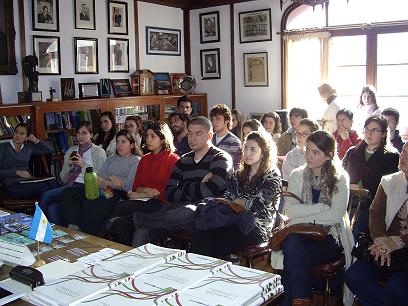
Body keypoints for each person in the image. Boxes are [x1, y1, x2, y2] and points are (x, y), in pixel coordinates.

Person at [271, 130, 354, 306]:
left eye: (315, 152)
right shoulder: (297, 174)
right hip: (301, 234)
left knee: (292, 252)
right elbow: (291, 211)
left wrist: (307, 213)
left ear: (329, 155)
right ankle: (301, 300)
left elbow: (335, 216)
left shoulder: (340, 178)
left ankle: (293, 300)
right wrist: (322, 207)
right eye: (307, 150)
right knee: (293, 244)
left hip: (331, 237)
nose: (309, 155)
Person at [131, 116, 234, 247]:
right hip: (176, 209)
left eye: (198, 133)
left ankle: (137, 219)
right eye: (190, 133)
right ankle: (134, 264)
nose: (192, 138)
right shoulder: (183, 160)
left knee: (189, 211)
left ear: (209, 136)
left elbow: (207, 191)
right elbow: (169, 192)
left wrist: (182, 185)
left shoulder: (220, 158)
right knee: (143, 230)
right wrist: (197, 185)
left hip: (208, 211)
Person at [190, 131, 282, 259]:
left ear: (263, 153)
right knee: (202, 229)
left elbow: (260, 206)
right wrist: (238, 202)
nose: (247, 153)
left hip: (257, 226)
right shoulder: (240, 172)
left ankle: (211, 271)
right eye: (245, 148)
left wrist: (238, 202)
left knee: (219, 242)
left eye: (253, 149)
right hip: (233, 218)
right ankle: (197, 269)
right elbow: (228, 196)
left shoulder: (272, 176)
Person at [345, 142, 408, 306]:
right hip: (385, 246)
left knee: (397, 289)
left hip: (404, 248)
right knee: (354, 276)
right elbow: (376, 213)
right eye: (403, 151)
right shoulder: (390, 181)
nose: (404, 156)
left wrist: (398, 242)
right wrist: (381, 241)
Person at [104, 122, 179, 245]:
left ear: (162, 139)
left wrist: (141, 194)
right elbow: (136, 186)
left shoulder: (172, 159)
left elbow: (165, 191)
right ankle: (118, 248)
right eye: (147, 136)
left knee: (122, 210)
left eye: (152, 136)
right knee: (119, 218)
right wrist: (146, 191)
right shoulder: (145, 159)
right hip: (143, 201)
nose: (148, 140)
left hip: (162, 204)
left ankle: (103, 240)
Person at [60, 130, 139, 234]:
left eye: (123, 142)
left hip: (118, 193)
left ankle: (88, 233)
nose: (119, 145)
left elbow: (128, 185)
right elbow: (101, 175)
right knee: (69, 192)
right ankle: (74, 227)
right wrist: (112, 177)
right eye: (118, 142)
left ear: (132, 145)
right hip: (102, 187)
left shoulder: (136, 160)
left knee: (92, 203)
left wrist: (108, 182)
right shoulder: (111, 158)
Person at [39, 121, 107, 225]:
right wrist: (68, 165)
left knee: (47, 195)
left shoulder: (98, 151)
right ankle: (55, 235)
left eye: (84, 133)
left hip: (87, 186)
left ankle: (37, 225)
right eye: (79, 133)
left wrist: (83, 165)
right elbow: (63, 178)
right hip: (71, 185)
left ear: (91, 135)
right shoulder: (71, 150)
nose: (81, 136)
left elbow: (102, 175)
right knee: (52, 208)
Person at [343, 115, 399, 235]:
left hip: (371, 204)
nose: (369, 133)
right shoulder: (353, 152)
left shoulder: (392, 156)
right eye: (367, 129)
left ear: (384, 134)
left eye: (375, 130)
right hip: (347, 200)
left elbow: (391, 186)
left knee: (353, 229)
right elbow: (341, 175)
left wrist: (363, 190)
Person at [0, 123, 58, 199]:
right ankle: (44, 210)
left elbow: (50, 150)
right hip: (12, 186)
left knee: (53, 183)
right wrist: (17, 172)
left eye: (22, 134)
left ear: (27, 137)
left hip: (28, 181)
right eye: (16, 132)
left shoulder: (28, 148)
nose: (18, 135)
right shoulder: (3, 148)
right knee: (45, 188)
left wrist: (36, 140)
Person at [210, 104, 242, 169]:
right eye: (212, 119)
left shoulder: (235, 142)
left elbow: (237, 168)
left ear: (227, 120)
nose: (214, 122)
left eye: (218, 118)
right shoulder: (208, 139)